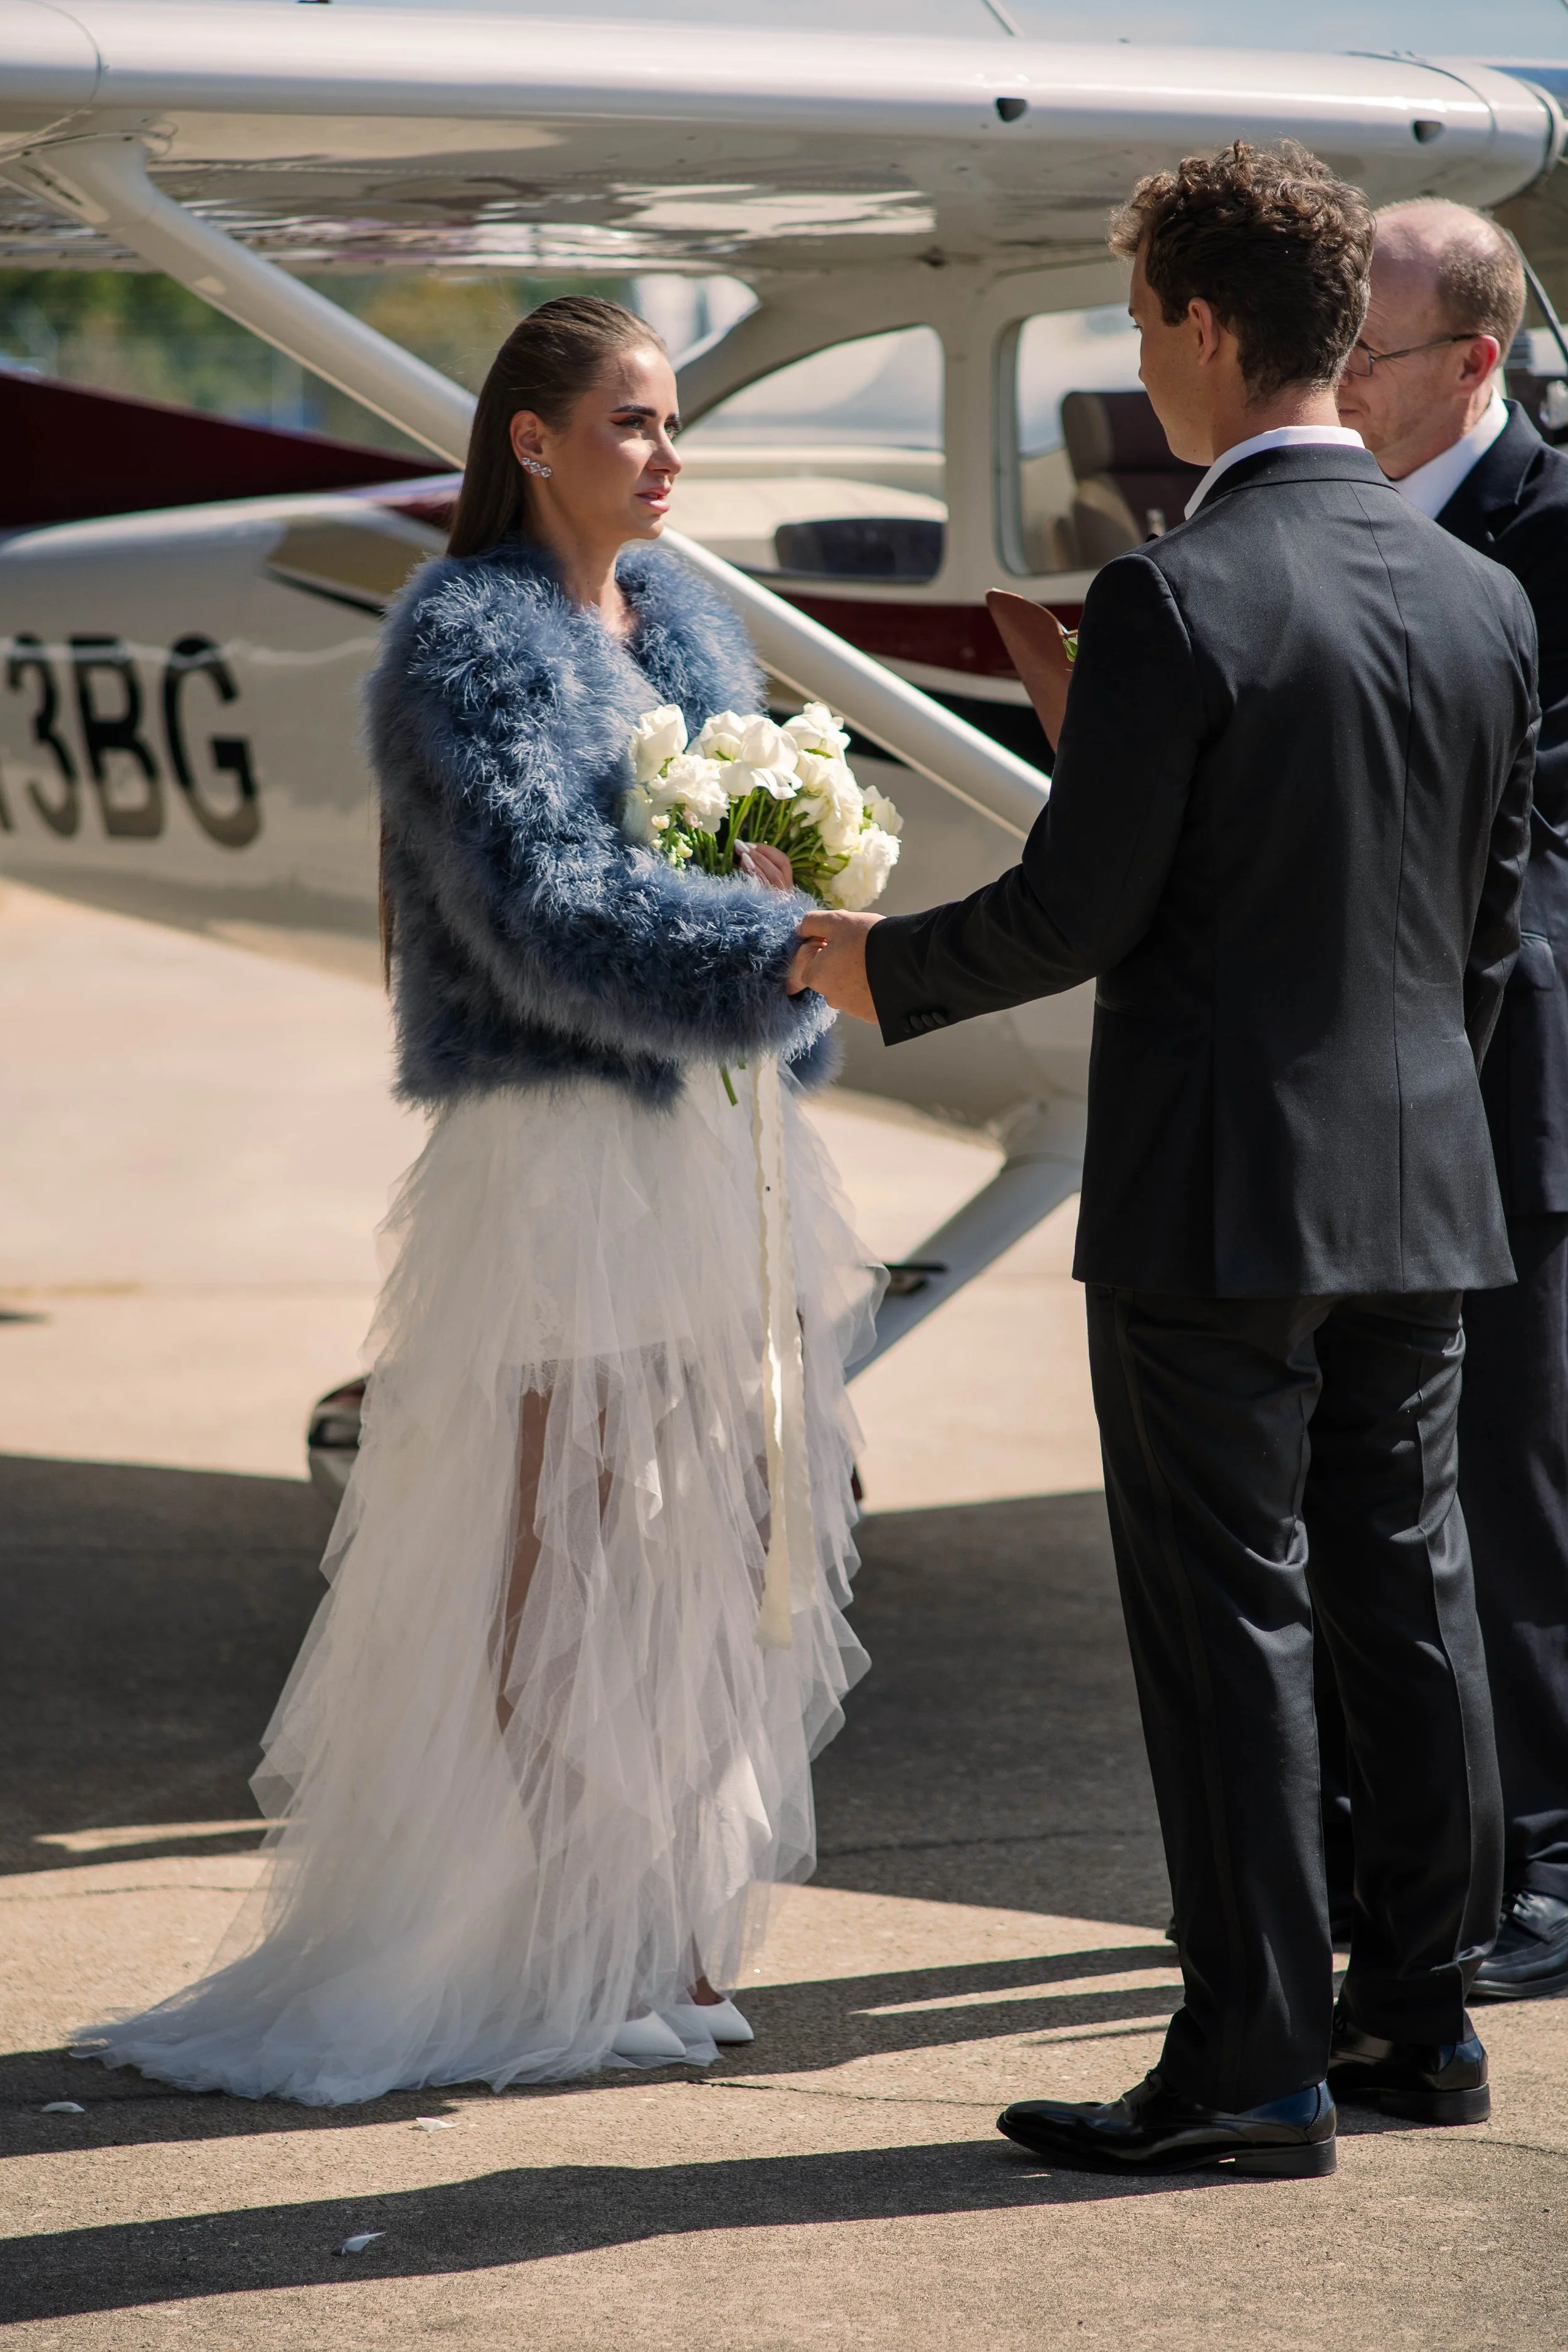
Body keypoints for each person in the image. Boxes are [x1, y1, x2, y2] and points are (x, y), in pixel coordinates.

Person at [793, 144, 1538, 2178]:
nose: (1138, 359)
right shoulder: (1472, 593)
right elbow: (1471, 924)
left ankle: (1247, 2063)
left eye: (1137, 322)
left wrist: (863, 963)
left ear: (1205, 330)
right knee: (1404, 1599)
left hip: (1218, 1188)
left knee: (1235, 1618)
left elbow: (1073, 917)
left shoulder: (1176, 591)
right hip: (1419, 1179)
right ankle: (1421, 2022)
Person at [76, 295, 874, 2104]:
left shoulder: (689, 617)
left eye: (675, 425)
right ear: (534, 440)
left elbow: (734, 853)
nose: (669, 456)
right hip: (552, 1152)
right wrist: (790, 951)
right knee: (558, 1559)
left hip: (704, 1138)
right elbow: (544, 907)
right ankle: (546, 1941)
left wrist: (786, 909)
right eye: (635, 423)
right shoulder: (468, 637)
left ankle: (658, 1925)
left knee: (696, 1540)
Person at [1334, 199, 1568, 2004]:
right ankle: (1417, 1852)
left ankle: (1544, 1874)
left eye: (1362, 353)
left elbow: (1531, 836)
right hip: (1367, 1085)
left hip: (1513, 1087)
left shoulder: (1552, 538)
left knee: (1514, 1492)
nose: (1329, 381)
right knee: (1395, 1494)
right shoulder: (1331, 511)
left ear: (1469, 365)